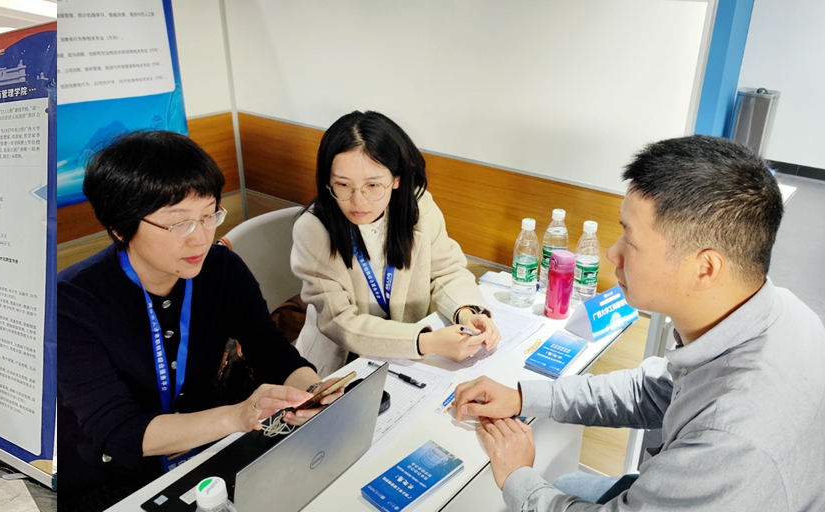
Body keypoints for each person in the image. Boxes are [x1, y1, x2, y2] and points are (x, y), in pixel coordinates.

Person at [451, 135, 825, 511]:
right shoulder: (778, 310)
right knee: (566, 483)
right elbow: (653, 392)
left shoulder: (730, 439)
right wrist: (524, 397)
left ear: (705, 268)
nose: (613, 253)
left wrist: (517, 476)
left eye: (630, 240)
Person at [58, 130, 347, 510]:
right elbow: (118, 430)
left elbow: (272, 351)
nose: (200, 238)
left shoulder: (221, 268)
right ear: (120, 226)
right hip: (114, 478)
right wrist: (239, 416)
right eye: (179, 223)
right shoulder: (72, 302)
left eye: (210, 215)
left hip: (207, 453)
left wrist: (313, 394)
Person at [290, 111, 501, 374]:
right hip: (342, 363)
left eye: (373, 185)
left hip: (408, 357)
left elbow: (446, 271)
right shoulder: (312, 230)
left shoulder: (419, 207)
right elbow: (340, 322)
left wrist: (467, 312)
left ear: (397, 179)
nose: (358, 201)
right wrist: (427, 341)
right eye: (343, 185)